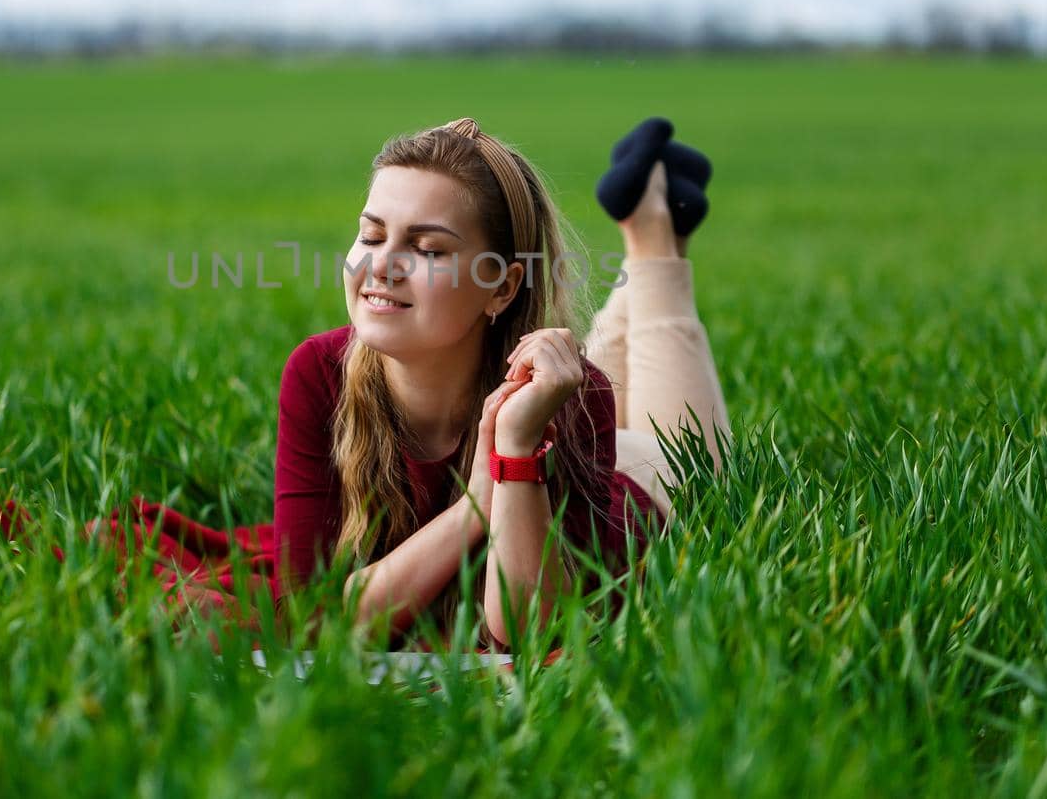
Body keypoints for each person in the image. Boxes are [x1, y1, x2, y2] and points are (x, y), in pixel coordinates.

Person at [272, 116, 732, 651]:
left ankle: (651, 234)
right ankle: (646, 247)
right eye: (372, 235)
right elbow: (308, 624)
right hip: (544, 395)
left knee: (694, 465)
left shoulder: (574, 402)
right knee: (569, 366)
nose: (382, 266)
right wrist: (476, 506)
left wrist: (515, 451)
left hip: (641, 483)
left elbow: (531, 632)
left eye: (427, 250)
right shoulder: (317, 371)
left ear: (501, 287)